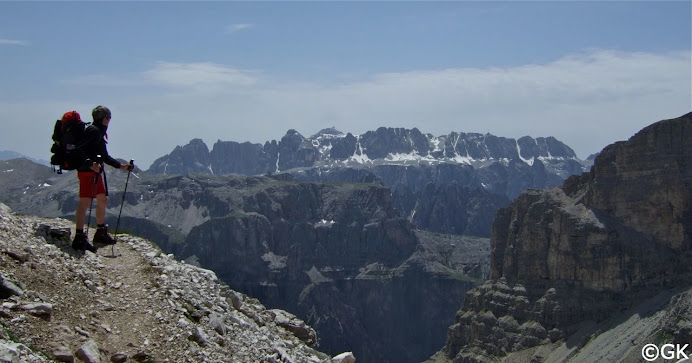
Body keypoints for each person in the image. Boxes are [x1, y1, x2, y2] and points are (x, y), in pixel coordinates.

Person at [72, 105, 134, 252]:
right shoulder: (93, 131)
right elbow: (78, 149)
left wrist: (121, 166)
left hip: (94, 173)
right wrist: (90, 164)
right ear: (105, 119)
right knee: (84, 203)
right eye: (109, 118)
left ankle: (100, 232)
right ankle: (79, 238)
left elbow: (104, 156)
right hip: (88, 173)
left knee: (102, 199)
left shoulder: (97, 132)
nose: (110, 121)